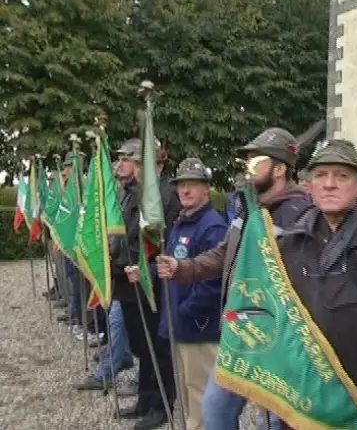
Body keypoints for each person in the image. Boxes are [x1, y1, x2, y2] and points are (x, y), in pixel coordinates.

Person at [154, 127, 311, 430]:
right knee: (214, 409)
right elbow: (223, 253)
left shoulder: (301, 215)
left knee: (276, 420)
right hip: (238, 333)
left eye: (256, 161)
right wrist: (182, 268)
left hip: (277, 342)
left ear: (280, 169)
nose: (247, 169)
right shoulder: (249, 210)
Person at [279, 139, 357, 424]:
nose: (329, 184)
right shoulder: (289, 243)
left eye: (342, 176)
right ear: (309, 186)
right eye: (321, 175)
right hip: (304, 396)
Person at [128, 157, 227, 430]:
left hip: (197, 329)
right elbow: (169, 264)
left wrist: (183, 313)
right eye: (181, 185)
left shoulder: (212, 226)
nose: (185, 191)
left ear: (206, 189)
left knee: (201, 397)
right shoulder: (183, 222)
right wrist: (145, 271)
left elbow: (213, 282)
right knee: (185, 393)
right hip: (178, 325)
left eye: (192, 185)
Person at [112, 138, 181, 430]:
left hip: (149, 282)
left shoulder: (164, 196)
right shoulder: (132, 193)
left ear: (160, 166)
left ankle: (160, 405)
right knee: (141, 346)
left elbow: (164, 241)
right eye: (138, 164)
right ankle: (144, 398)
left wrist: (146, 269)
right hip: (127, 280)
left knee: (157, 347)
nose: (139, 170)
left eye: (144, 164)